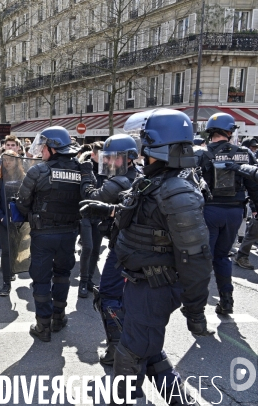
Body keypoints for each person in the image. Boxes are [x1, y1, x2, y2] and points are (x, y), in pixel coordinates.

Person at [82, 109, 214, 404]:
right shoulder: (155, 183)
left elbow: (196, 259)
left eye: (147, 148)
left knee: (129, 358)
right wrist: (107, 211)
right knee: (150, 350)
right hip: (140, 284)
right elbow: (143, 221)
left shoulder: (177, 191)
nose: (143, 155)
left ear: (161, 149)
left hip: (154, 288)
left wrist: (195, 312)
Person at [15, 126, 90, 342]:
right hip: (69, 233)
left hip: (44, 233)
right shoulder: (80, 171)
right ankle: (59, 318)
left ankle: (43, 326)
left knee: (41, 278)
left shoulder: (38, 171)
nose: (42, 151)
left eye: (44, 147)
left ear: (52, 148)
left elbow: (22, 201)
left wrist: (32, 215)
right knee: (62, 275)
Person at [81, 134, 140, 365]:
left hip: (122, 248)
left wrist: (86, 173)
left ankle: (117, 349)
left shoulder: (120, 181)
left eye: (115, 158)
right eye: (109, 158)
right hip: (135, 247)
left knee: (108, 295)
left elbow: (90, 198)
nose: (110, 163)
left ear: (128, 158)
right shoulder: (140, 176)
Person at [195, 112, 258, 315]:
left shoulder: (202, 154)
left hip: (210, 211)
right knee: (223, 257)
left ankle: (197, 308)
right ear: (230, 132)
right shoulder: (244, 153)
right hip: (235, 212)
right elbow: (253, 184)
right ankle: (227, 299)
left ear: (210, 132)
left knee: (204, 259)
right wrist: (256, 208)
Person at [0, 150, 24, 296]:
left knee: (15, 248)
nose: (7, 162)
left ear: (16, 161)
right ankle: (6, 283)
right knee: (6, 250)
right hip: (3, 221)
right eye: (5, 160)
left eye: (11, 159)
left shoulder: (24, 179)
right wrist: (2, 218)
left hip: (19, 222)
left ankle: (11, 270)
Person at [76, 141, 104, 299]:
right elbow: (83, 191)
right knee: (87, 247)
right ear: (93, 154)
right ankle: (83, 281)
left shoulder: (108, 168)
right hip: (85, 213)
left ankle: (89, 280)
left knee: (95, 249)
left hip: (100, 214)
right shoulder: (85, 167)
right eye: (101, 154)